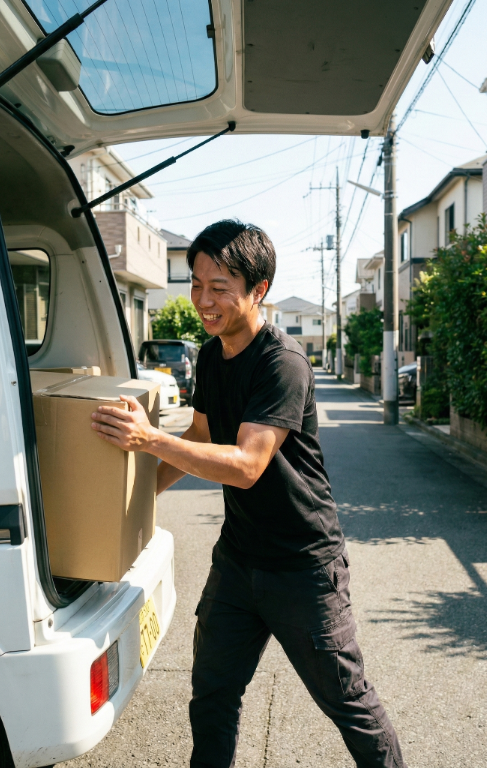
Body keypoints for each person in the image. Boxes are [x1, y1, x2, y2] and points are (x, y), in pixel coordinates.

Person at [91, 220, 406, 768]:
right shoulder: (211, 356)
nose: (203, 300)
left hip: (303, 566)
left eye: (220, 287)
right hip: (238, 561)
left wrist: (148, 438)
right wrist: (137, 503)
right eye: (196, 283)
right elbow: (198, 439)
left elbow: (246, 465)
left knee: (346, 700)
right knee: (212, 693)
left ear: (258, 290)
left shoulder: (283, 363)